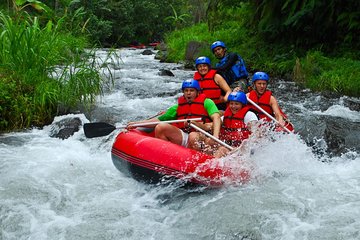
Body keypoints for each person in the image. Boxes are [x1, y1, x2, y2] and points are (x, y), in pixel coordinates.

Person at [127, 79, 221, 149]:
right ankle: (166, 156)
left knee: (193, 136)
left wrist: (215, 136)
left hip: (202, 135)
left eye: (191, 91)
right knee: (161, 127)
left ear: (197, 92)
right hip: (184, 135)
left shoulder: (207, 102)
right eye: (186, 91)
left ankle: (195, 159)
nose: (188, 93)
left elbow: (216, 117)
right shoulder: (178, 107)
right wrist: (137, 124)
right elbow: (159, 120)